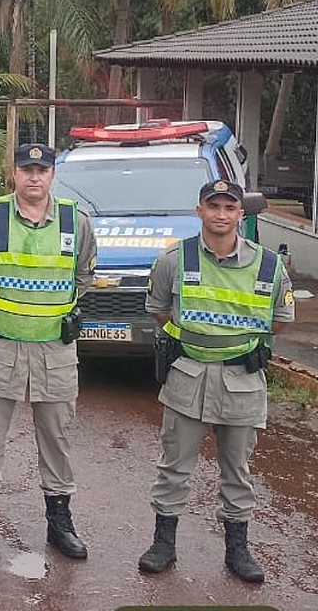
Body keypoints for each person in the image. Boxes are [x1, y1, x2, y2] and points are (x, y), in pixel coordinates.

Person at [137, 179, 293, 584]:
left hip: (243, 379)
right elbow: (158, 310)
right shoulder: (175, 259)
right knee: (174, 466)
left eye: (229, 207)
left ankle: (237, 549)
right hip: (188, 376)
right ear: (200, 211)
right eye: (213, 206)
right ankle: (163, 544)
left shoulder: (269, 265)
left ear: (242, 213)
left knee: (237, 470)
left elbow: (279, 320)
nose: (221, 214)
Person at [0, 143, 96, 559]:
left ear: (53, 174)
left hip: (55, 350)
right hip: (0, 347)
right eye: (26, 169)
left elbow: (85, 275)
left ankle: (60, 524)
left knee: (56, 439)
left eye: (42, 169)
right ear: (13, 173)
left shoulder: (76, 221)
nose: (34, 176)